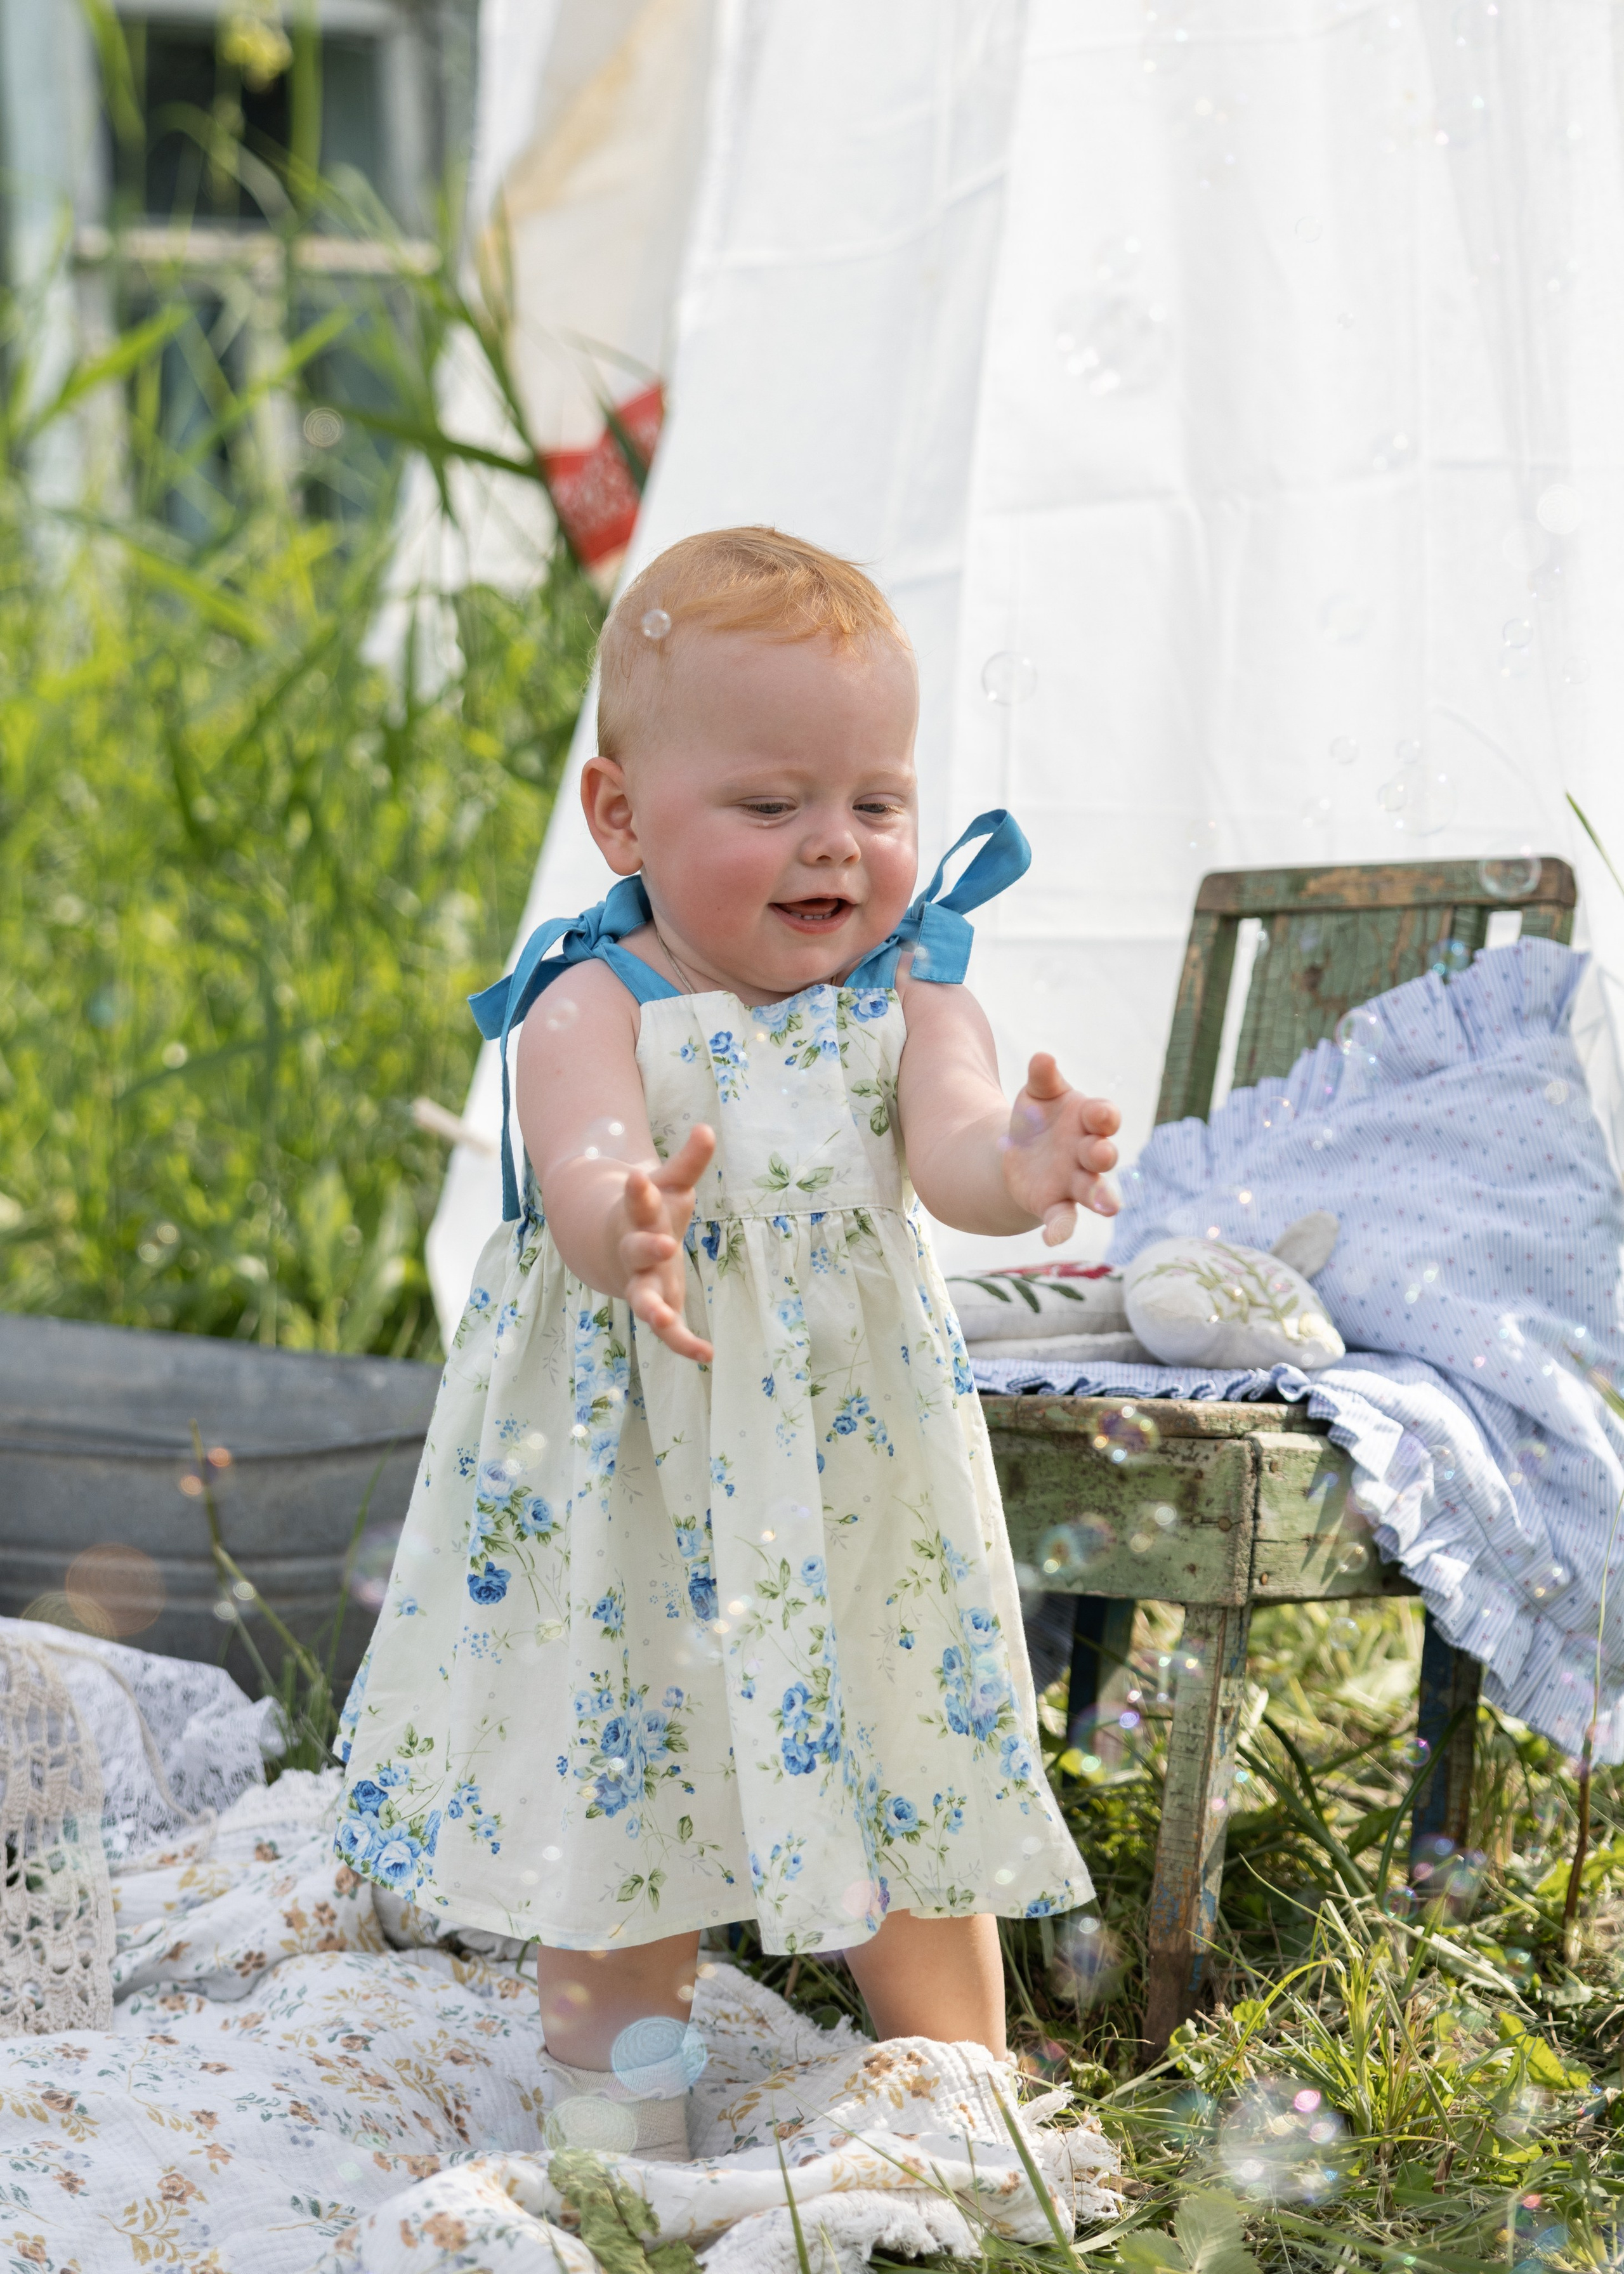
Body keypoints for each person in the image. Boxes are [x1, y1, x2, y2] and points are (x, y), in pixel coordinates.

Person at [336, 527, 1121, 2159]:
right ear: (620, 816)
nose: (832, 843)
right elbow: (579, 1157)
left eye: (875, 802)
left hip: (852, 1487)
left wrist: (1023, 1164)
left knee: (900, 1749)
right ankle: (624, 2127)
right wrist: (621, 1220)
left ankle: (955, 2095)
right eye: (769, 806)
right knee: (632, 1799)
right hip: (641, 1480)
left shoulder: (913, 998)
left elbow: (953, 1145)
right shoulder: (590, 1000)